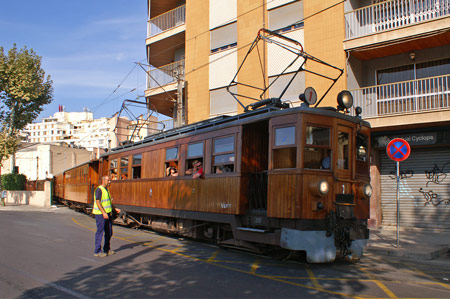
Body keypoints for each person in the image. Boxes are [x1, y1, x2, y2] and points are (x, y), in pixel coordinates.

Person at [93, 175, 120, 257]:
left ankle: (106, 249)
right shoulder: (99, 189)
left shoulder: (107, 190)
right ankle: (97, 251)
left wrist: (114, 208)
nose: (109, 182)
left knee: (109, 232)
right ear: (103, 180)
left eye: (109, 180)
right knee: (100, 232)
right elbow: (98, 202)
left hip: (107, 214)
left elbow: (108, 202)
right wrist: (103, 212)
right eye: (108, 180)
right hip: (100, 214)